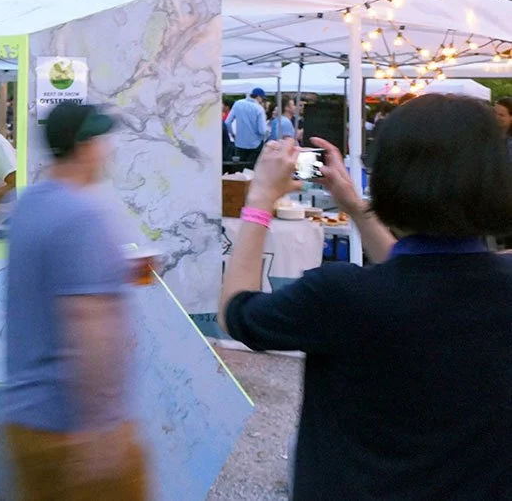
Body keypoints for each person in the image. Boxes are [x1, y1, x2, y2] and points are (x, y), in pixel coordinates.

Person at [219, 94, 512, 500]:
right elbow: (426, 272)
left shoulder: (341, 295)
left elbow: (237, 313)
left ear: (389, 176)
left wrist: (258, 202)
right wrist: (354, 207)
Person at [5, 103, 147, 500]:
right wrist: (101, 428)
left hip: (25, 418)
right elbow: (89, 325)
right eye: (101, 140)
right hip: (68, 427)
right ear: (84, 147)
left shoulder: (26, 206)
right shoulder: (81, 217)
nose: (107, 150)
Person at [225, 88, 267, 163]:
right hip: (255, 145)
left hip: (239, 143)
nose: (261, 101)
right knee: (251, 171)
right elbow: (262, 131)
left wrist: (233, 134)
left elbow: (227, 122)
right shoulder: (259, 109)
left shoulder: (238, 103)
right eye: (262, 99)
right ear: (258, 97)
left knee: (239, 169)